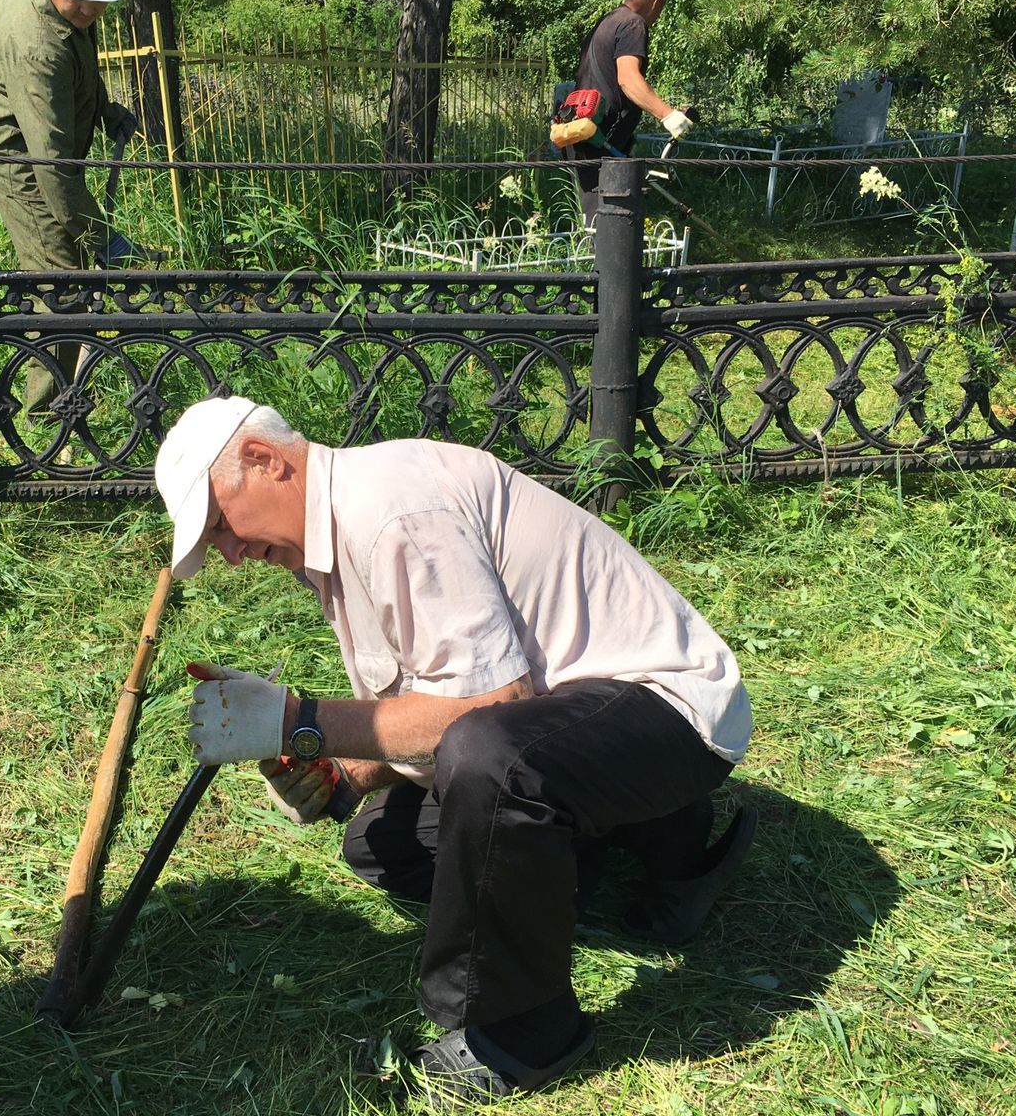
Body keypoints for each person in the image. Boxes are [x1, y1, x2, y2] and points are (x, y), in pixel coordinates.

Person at [155, 396, 758, 1107]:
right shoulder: (338, 541)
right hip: (573, 729)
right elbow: (434, 700)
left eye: (222, 525)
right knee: (383, 844)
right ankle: (663, 845)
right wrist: (343, 770)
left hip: (669, 713)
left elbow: (491, 709)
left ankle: (525, 1031)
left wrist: (296, 721)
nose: (229, 553)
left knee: (491, 759)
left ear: (263, 459)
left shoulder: (391, 511)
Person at [0, 0, 139, 417]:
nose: (91, 9)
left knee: (67, 274)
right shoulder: (37, 42)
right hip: (20, 157)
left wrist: (103, 108)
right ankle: (49, 409)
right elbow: (51, 160)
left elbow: (76, 60)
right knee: (61, 280)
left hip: (46, 143)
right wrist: (99, 233)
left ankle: (61, 388)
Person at [571, 0, 693, 217]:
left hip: (586, 132)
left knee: (594, 218)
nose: (657, 17)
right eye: (661, 9)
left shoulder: (608, 21)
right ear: (657, 3)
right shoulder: (633, 24)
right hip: (604, 141)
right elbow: (627, 78)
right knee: (610, 225)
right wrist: (668, 115)